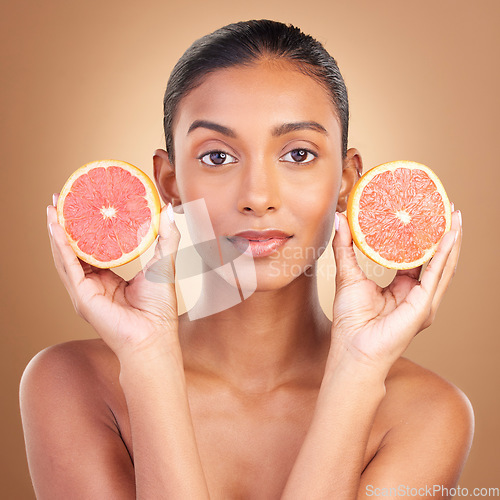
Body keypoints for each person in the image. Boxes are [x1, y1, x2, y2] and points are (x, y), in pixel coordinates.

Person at [20, 19, 473, 499]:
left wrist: (357, 371)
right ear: (170, 184)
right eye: (218, 157)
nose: (258, 196)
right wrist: (147, 359)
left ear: (346, 182)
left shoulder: (428, 413)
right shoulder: (71, 383)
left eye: (298, 154)